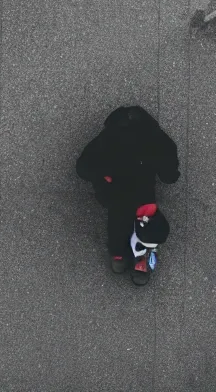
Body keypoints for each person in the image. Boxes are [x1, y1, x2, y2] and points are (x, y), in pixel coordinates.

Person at [76, 106, 180, 285]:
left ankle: (119, 254)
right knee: (147, 219)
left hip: (115, 191)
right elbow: (169, 172)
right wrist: (170, 174)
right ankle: (143, 256)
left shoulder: (107, 138)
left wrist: (102, 176)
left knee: (118, 218)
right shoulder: (155, 137)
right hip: (143, 191)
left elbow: (84, 168)